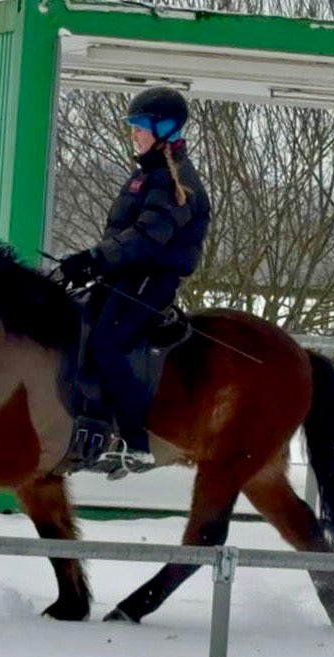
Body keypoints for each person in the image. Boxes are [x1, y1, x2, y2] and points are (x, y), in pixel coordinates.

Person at [59, 86, 211, 467]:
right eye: (133, 126)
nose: (134, 134)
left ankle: (135, 441)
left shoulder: (178, 183)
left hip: (151, 280)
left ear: (165, 131)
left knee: (109, 339)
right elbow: (121, 235)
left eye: (141, 126)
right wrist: (91, 264)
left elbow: (146, 238)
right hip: (125, 275)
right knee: (78, 322)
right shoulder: (144, 175)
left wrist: (97, 258)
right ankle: (89, 421)